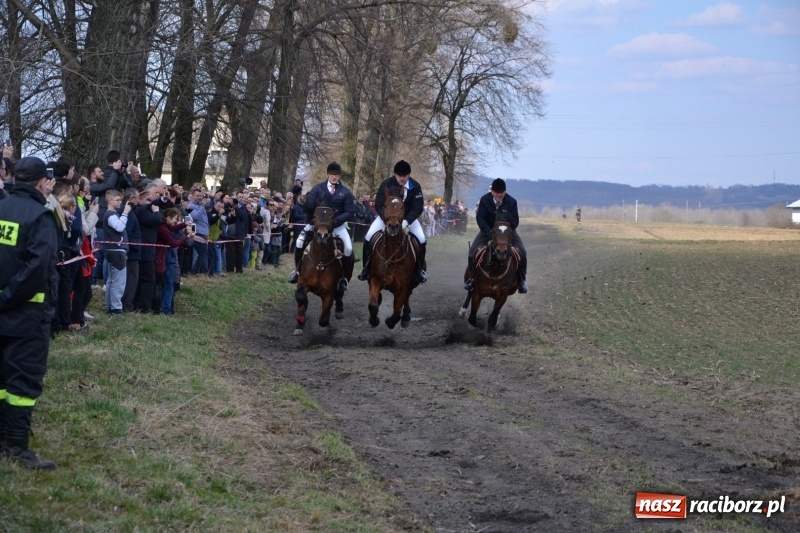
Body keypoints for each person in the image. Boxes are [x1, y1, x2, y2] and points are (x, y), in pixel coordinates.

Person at [0, 156, 60, 469]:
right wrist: (9, 297)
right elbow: (38, 268)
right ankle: (16, 447)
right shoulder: (41, 217)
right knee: (22, 383)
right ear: (42, 183)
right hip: (27, 314)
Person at [288, 162, 355, 291]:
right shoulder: (317, 189)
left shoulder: (345, 192)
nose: (334, 177)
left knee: (348, 247)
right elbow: (309, 206)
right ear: (327, 174)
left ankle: (343, 278)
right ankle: (297, 272)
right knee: (299, 242)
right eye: (332, 174)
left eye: (337, 175)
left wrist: (336, 220)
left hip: (337, 225)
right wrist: (315, 219)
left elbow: (349, 211)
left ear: (339, 176)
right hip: (317, 225)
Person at [358, 160, 427, 283]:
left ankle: (419, 270)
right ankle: (366, 269)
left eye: (404, 176)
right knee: (368, 237)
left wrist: (407, 221)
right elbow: (379, 205)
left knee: (421, 239)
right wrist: (386, 219)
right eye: (399, 175)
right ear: (395, 174)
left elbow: (418, 208)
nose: (401, 178)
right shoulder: (386, 184)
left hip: (407, 219)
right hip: (386, 218)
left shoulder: (415, 186)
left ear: (408, 175)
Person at [464, 178, 528, 293]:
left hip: (506, 233)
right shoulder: (484, 200)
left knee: (522, 252)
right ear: (492, 191)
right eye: (496, 192)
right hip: (487, 231)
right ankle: (472, 279)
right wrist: (489, 232)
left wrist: (506, 231)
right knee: (471, 251)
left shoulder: (512, 202)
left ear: (505, 191)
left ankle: (522, 281)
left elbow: (515, 221)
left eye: (501, 192)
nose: (499, 195)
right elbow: (480, 218)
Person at [103, 189, 131, 315]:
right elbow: (119, 227)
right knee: (118, 281)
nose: (120, 202)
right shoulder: (110, 215)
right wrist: (125, 214)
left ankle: (110, 305)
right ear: (110, 201)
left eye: (121, 200)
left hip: (113, 250)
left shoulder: (111, 214)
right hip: (116, 251)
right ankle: (116, 308)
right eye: (117, 200)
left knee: (111, 280)